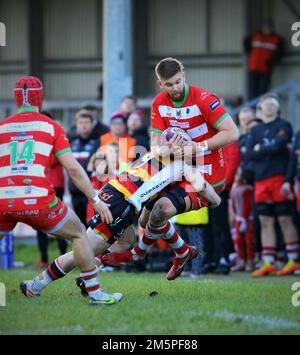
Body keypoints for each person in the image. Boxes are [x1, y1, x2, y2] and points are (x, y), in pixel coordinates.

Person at [102, 57, 239, 280]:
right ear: (160, 84)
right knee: (146, 221)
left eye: (178, 82)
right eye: (169, 84)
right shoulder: (159, 102)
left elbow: (232, 133)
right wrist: (162, 148)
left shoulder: (205, 99)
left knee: (159, 212)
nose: (175, 88)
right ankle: (183, 252)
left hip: (208, 172)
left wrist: (196, 147)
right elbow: (155, 141)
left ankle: (137, 254)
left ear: (183, 75)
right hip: (176, 166)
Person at [24, 150, 218, 297]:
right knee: (84, 250)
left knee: (125, 241)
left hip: (114, 195)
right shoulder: (183, 165)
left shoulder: (153, 152)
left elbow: (145, 209)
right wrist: (217, 200)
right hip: (120, 204)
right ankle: (36, 285)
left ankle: (90, 277)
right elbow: (205, 191)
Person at [0, 76, 121, 305]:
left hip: (3, 200)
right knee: (78, 235)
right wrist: (95, 198)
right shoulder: (52, 127)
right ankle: (95, 294)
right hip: (38, 199)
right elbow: (74, 169)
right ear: (40, 98)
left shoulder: (2, 127)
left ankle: (37, 286)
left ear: (16, 98)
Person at [246, 94, 300, 276]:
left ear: (278, 108)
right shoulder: (255, 130)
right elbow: (250, 155)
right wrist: (265, 149)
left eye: (272, 104)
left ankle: (293, 260)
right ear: (260, 109)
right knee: (265, 221)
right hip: (260, 180)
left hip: (279, 177)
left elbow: (279, 146)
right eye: (265, 104)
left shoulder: (284, 125)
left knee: (285, 219)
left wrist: (260, 148)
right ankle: (268, 262)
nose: (269, 107)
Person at [35, 111, 68, 268]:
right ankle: (43, 258)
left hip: (55, 184)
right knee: (39, 222)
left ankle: (63, 258)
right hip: (39, 184)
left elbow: (54, 159)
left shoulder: (56, 134)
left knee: (59, 220)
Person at [69, 111, 99, 225]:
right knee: (79, 223)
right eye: (81, 122)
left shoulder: (97, 142)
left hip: (90, 190)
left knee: (91, 223)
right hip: (74, 190)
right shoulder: (71, 143)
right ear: (77, 125)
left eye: (87, 122)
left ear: (92, 124)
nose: (84, 125)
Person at [244, 22, 284, 99]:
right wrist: (250, 54)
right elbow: (246, 43)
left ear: (272, 29)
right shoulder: (255, 35)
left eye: (269, 28)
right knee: (252, 91)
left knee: (262, 91)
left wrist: (272, 62)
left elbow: (280, 53)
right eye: (265, 27)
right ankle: (252, 109)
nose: (267, 30)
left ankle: (261, 108)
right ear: (262, 28)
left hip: (265, 69)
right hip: (253, 67)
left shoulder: (277, 39)